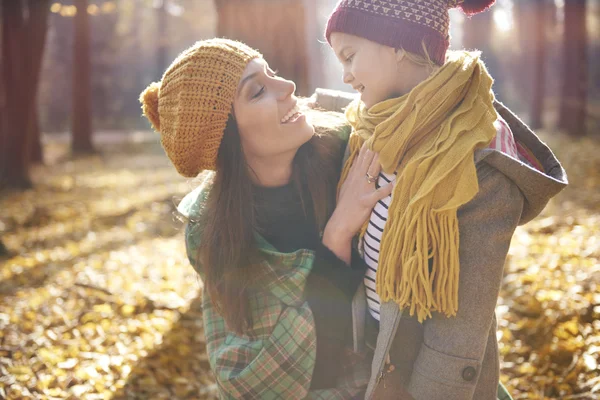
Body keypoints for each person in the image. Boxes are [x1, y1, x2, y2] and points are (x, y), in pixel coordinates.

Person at [318, 0, 569, 399]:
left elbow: (458, 334)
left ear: (395, 42)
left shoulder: (476, 157)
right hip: (371, 360)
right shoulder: (377, 128)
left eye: (350, 57)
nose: (345, 76)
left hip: (422, 382)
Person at [139, 38, 394, 399]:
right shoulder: (214, 233)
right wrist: (339, 232)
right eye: (258, 91)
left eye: (271, 72)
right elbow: (291, 373)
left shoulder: (351, 146)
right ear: (229, 141)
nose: (287, 86)